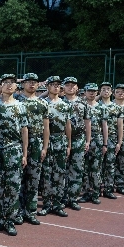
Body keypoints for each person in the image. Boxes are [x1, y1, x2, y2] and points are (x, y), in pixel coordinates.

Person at [0, 74, 27, 236]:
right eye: (5, 83)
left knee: (13, 186)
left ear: (16, 86)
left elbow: (24, 130)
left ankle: (10, 220)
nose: (9, 85)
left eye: (12, 83)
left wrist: (24, 153)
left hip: (14, 150)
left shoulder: (20, 106)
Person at [15, 73, 49, 224]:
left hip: (36, 142)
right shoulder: (16, 99)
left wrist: (45, 147)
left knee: (34, 178)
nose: (31, 84)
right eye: (28, 82)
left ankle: (31, 211)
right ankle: (18, 212)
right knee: (19, 179)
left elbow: (46, 128)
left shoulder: (42, 103)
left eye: (34, 82)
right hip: (19, 142)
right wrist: (16, 81)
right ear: (23, 84)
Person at [42, 76, 72, 217]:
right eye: (53, 84)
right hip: (47, 140)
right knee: (47, 173)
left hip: (61, 140)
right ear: (47, 87)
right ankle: (47, 204)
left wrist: (69, 144)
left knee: (60, 173)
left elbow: (68, 125)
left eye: (58, 85)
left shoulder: (65, 105)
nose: (56, 87)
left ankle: (57, 204)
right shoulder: (43, 103)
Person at [62, 77, 91, 211]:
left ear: (77, 88)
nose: (70, 87)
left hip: (79, 139)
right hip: (62, 140)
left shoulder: (83, 103)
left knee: (77, 169)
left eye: (73, 85)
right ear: (63, 87)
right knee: (62, 170)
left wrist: (88, 140)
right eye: (67, 85)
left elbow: (87, 123)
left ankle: (72, 198)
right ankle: (62, 198)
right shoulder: (59, 102)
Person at [80, 83, 108, 204]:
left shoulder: (101, 107)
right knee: (85, 168)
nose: (92, 93)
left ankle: (95, 193)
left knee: (96, 168)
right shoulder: (81, 106)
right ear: (85, 92)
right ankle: (87, 192)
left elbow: (104, 126)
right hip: (83, 139)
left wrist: (105, 144)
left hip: (97, 140)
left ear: (97, 93)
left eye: (94, 91)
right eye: (89, 91)